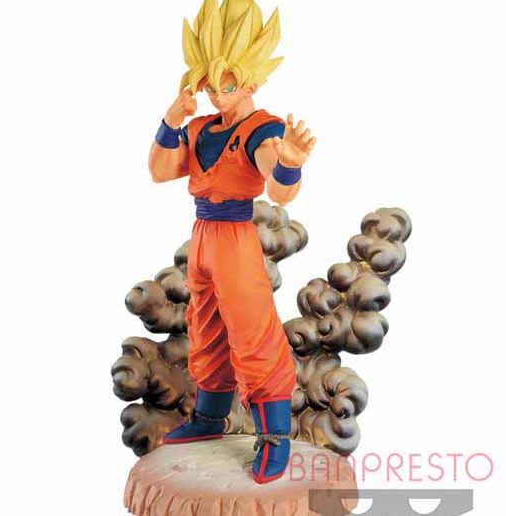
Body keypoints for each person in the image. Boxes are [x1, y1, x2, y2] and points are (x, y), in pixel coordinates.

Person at [148, 0, 316, 484]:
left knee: (251, 328)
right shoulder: (200, 127)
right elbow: (160, 170)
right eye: (210, 85)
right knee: (205, 326)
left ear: (251, 81)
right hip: (202, 235)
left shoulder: (263, 129)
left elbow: (278, 187)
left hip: (236, 237)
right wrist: (171, 119)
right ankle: (210, 415)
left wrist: (290, 164)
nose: (217, 95)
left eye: (228, 85)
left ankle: (275, 434)